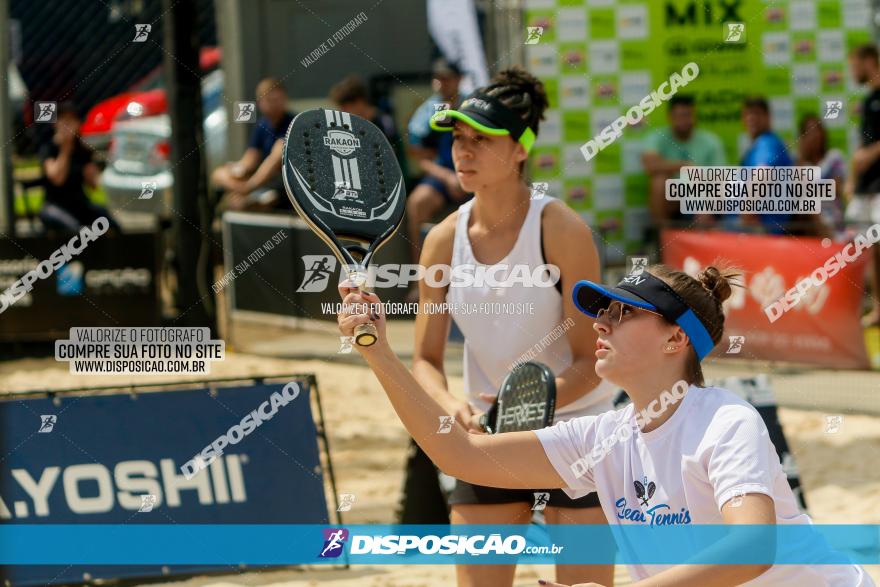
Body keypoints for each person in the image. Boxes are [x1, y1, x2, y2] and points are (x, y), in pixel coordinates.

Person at [336, 264, 875, 587]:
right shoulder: (603, 435)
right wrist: (379, 352)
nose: (601, 322)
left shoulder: (726, 421)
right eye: (604, 311)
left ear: (675, 339)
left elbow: (753, 549)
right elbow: (464, 455)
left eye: (624, 313)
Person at [396, 67, 616, 587]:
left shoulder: (561, 229)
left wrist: (525, 408)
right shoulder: (442, 240)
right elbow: (426, 360)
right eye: (458, 138)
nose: (463, 152)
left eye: (482, 139)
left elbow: (593, 362)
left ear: (520, 149)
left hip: (576, 430)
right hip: (490, 435)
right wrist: (452, 407)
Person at [405, 59, 471, 279]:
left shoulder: (472, 105)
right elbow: (417, 152)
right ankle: (420, 279)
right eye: (438, 78)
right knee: (416, 204)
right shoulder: (429, 110)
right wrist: (448, 177)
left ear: (459, 79)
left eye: (447, 78)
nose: (441, 83)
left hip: (475, 173)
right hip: (444, 177)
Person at [211, 77, 294, 212]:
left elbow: (274, 161)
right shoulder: (262, 125)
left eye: (278, 99)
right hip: (258, 183)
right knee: (218, 174)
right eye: (270, 100)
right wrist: (237, 172)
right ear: (261, 102)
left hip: (283, 184)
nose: (275, 104)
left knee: (256, 201)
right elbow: (250, 159)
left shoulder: (292, 123)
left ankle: (247, 199)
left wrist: (248, 187)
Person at [641, 95, 725, 227]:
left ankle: (702, 239)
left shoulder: (710, 141)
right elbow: (650, 165)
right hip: (672, 198)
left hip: (701, 194)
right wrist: (684, 165)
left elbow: (720, 178)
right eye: (680, 116)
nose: (684, 120)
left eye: (688, 115)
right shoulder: (657, 137)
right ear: (670, 117)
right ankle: (661, 237)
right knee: (659, 181)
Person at [39, 102, 119, 231]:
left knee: (110, 223)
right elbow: (57, 178)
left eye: (72, 120)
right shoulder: (49, 148)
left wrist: (95, 175)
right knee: (76, 232)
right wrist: (65, 149)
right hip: (55, 205)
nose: (68, 125)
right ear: (55, 123)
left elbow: (93, 186)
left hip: (79, 203)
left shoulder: (81, 149)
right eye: (64, 120)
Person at [848, 44, 880, 325]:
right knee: (869, 249)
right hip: (867, 188)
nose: (851, 71)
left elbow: (868, 150)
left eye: (854, 64)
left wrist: (870, 154)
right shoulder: (870, 99)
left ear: (869, 61)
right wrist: (852, 180)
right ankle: (877, 309)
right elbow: (862, 148)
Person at [730, 96, 794, 235]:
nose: (751, 118)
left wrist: (746, 214)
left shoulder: (768, 143)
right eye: (747, 114)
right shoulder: (757, 146)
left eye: (756, 113)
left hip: (759, 231)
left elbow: (763, 173)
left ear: (768, 117)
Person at [329, 75, 409, 180]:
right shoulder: (349, 125)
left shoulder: (384, 121)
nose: (342, 111)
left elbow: (390, 156)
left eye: (345, 107)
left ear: (359, 102)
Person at [796, 114, 846, 239]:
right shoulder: (800, 165)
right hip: (812, 226)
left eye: (817, 130)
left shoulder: (834, 157)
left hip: (835, 220)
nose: (815, 136)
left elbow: (836, 189)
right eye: (809, 132)